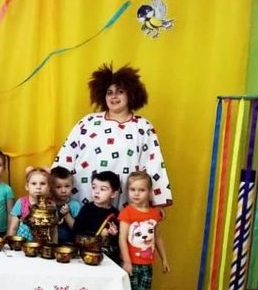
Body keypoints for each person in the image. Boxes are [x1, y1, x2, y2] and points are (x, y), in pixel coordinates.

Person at [53, 63, 172, 208]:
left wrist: (157, 202)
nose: (114, 96)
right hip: (82, 197)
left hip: (123, 199)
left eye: (120, 91)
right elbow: (67, 155)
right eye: (109, 92)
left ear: (131, 94)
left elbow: (153, 165)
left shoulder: (142, 127)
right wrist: (53, 187)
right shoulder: (88, 122)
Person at [118, 172, 170, 290]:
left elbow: (158, 237)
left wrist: (164, 259)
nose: (136, 193)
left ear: (149, 192)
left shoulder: (154, 213)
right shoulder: (127, 212)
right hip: (131, 264)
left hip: (147, 264)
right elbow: (122, 238)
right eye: (132, 189)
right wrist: (127, 261)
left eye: (141, 190)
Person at [72, 171, 121, 263]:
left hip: (107, 259)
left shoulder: (115, 214)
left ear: (114, 193)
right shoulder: (86, 209)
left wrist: (113, 234)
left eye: (102, 189)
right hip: (86, 255)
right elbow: (77, 231)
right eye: (94, 187)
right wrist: (99, 235)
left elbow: (118, 241)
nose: (96, 192)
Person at [7, 167, 52, 241]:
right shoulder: (21, 203)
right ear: (27, 186)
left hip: (44, 245)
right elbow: (13, 228)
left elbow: (54, 230)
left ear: (49, 187)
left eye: (42, 183)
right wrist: (10, 243)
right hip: (22, 245)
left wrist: (54, 245)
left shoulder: (51, 206)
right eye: (34, 184)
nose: (38, 187)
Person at [50, 166, 81, 245]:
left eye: (67, 186)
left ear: (72, 186)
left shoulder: (75, 205)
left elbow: (77, 230)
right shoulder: (48, 204)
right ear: (51, 188)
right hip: (50, 244)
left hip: (69, 246)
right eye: (58, 187)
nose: (63, 191)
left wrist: (67, 215)